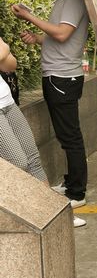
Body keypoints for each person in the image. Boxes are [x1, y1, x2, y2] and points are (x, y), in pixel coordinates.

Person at [12, 0, 91, 214]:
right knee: (65, 135)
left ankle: (77, 192)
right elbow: (57, 37)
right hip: (57, 75)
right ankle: (70, 184)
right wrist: (37, 38)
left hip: (62, 77)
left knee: (70, 137)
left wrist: (29, 16)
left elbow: (62, 33)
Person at [0, 36, 49, 184]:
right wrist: (4, 49)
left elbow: (10, 65)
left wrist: (4, 52)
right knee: (18, 163)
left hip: (7, 102)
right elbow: (3, 50)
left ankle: (47, 200)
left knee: (34, 161)